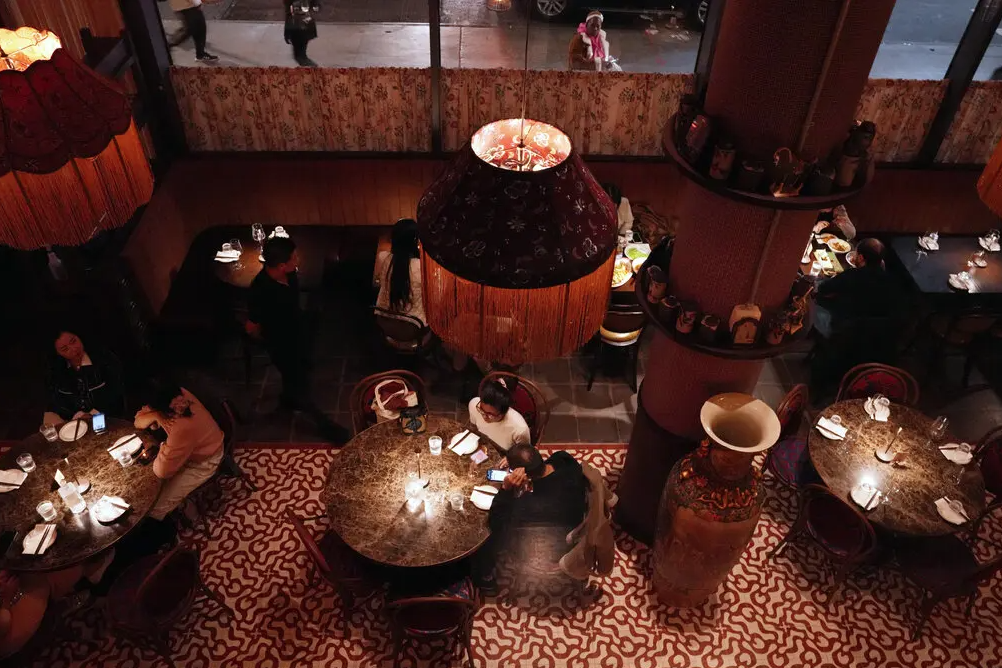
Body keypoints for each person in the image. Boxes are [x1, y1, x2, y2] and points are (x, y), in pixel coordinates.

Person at [247, 236, 349, 443]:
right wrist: (268, 342)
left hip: (297, 332)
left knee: (299, 372)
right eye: (294, 258)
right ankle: (327, 427)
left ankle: (288, 398)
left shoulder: (290, 274)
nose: (297, 261)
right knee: (298, 385)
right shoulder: (260, 290)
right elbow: (252, 326)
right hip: (281, 344)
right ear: (281, 266)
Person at [475, 444, 588, 593]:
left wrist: (506, 489)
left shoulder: (530, 504)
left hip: (553, 545)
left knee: (487, 537)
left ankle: (485, 578)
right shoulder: (563, 458)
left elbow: (495, 520)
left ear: (524, 475)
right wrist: (521, 462)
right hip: (575, 516)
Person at [134, 382, 224, 521]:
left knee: (155, 506)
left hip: (206, 461)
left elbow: (162, 471)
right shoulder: (180, 393)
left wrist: (163, 446)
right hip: (203, 444)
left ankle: (181, 515)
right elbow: (138, 421)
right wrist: (156, 415)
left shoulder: (180, 427)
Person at [813, 238, 898, 339]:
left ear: (861, 258)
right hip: (871, 334)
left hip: (841, 329)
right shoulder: (889, 280)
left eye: (856, 255)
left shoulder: (852, 275)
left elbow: (823, 289)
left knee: (813, 299)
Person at [43, 330, 124, 427]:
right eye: (65, 349)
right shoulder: (58, 370)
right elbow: (58, 399)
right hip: (74, 419)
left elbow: (116, 390)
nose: (74, 349)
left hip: (107, 414)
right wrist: (78, 415)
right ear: (58, 353)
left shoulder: (104, 358)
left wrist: (93, 414)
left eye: (73, 341)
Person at [375, 218, 426, 325]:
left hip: (386, 322)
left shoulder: (383, 257)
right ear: (415, 240)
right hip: (412, 327)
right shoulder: (419, 266)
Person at [468, 379, 530, 452]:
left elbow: (523, 453)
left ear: (503, 413)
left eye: (490, 414)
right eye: (481, 410)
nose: (484, 416)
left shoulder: (519, 429)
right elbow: (473, 429)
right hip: (482, 446)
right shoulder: (474, 404)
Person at [284, 0, 321, 67]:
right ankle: (301, 58)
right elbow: (288, 9)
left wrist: (316, 5)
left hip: (304, 19)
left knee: (303, 38)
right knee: (298, 39)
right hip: (295, 21)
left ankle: (302, 57)